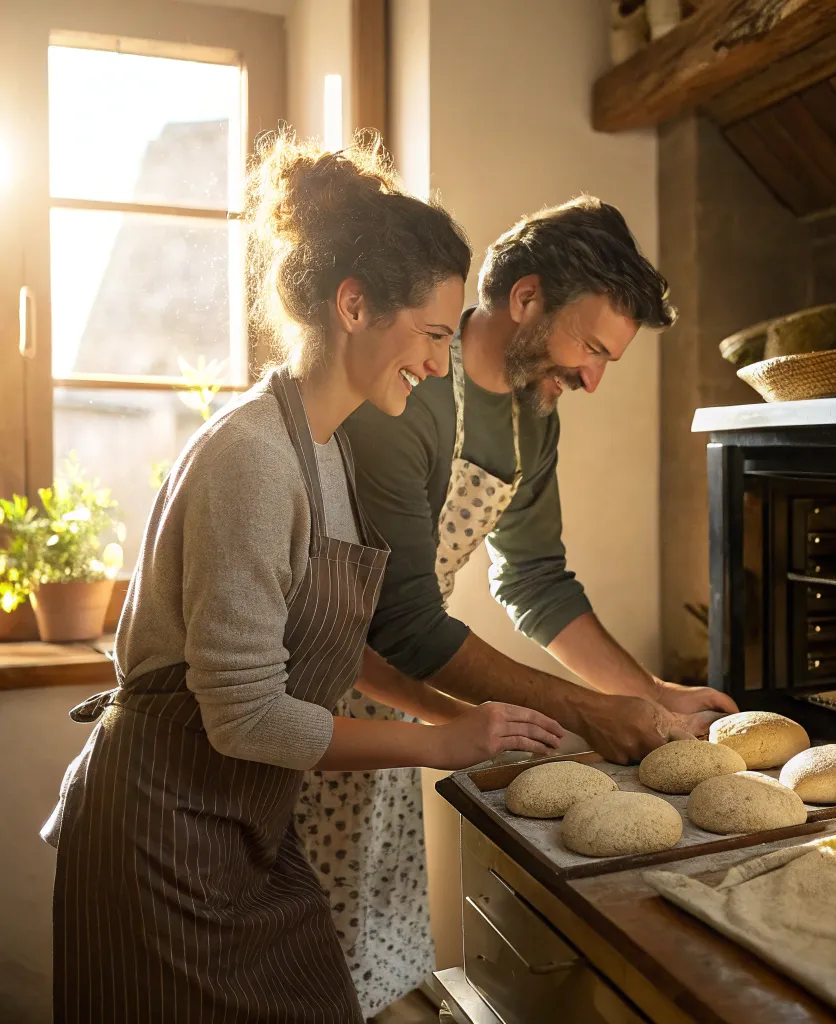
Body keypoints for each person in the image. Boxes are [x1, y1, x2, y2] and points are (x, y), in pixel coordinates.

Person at [39, 133, 569, 1024]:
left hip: (242, 827)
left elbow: (337, 648)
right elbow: (245, 715)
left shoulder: (326, 449)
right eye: (432, 336)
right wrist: (439, 743)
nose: (440, 365)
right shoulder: (252, 457)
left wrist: (464, 720)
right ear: (353, 304)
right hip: (160, 828)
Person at [295, 197, 740, 1014]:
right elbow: (406, 622)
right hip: (305, 702)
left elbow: (534, 578)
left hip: (394, 704)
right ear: (527, 298)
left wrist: (650, 693)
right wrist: (584, 709)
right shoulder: (407, 392)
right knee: (295, 964)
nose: (593, 380)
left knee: (363, 959)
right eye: (591, 348)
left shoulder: (536, 418)